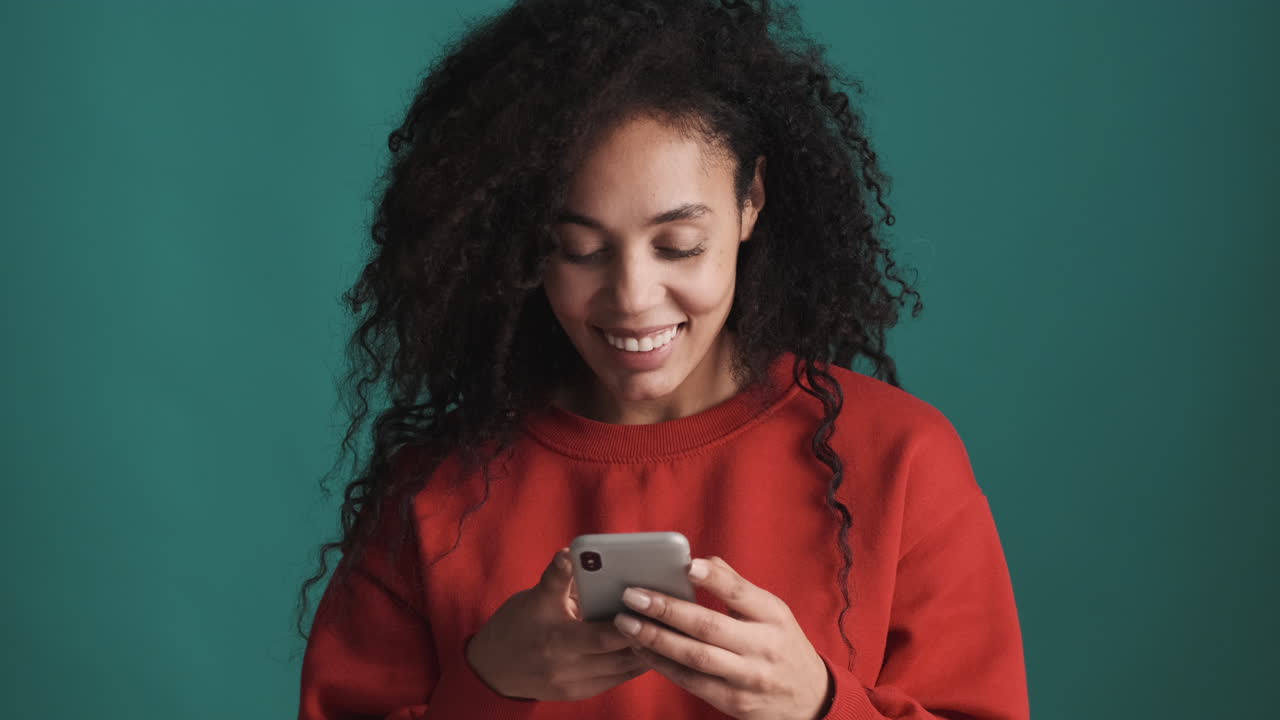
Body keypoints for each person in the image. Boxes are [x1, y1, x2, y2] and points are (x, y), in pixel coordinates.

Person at [295, 1, 1029, 718]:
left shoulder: (900, 461)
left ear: (751, 202)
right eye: (579, 249)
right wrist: (487, 684)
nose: (633, 299)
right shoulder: (434, 493)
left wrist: (818, 705)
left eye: (678, 245)